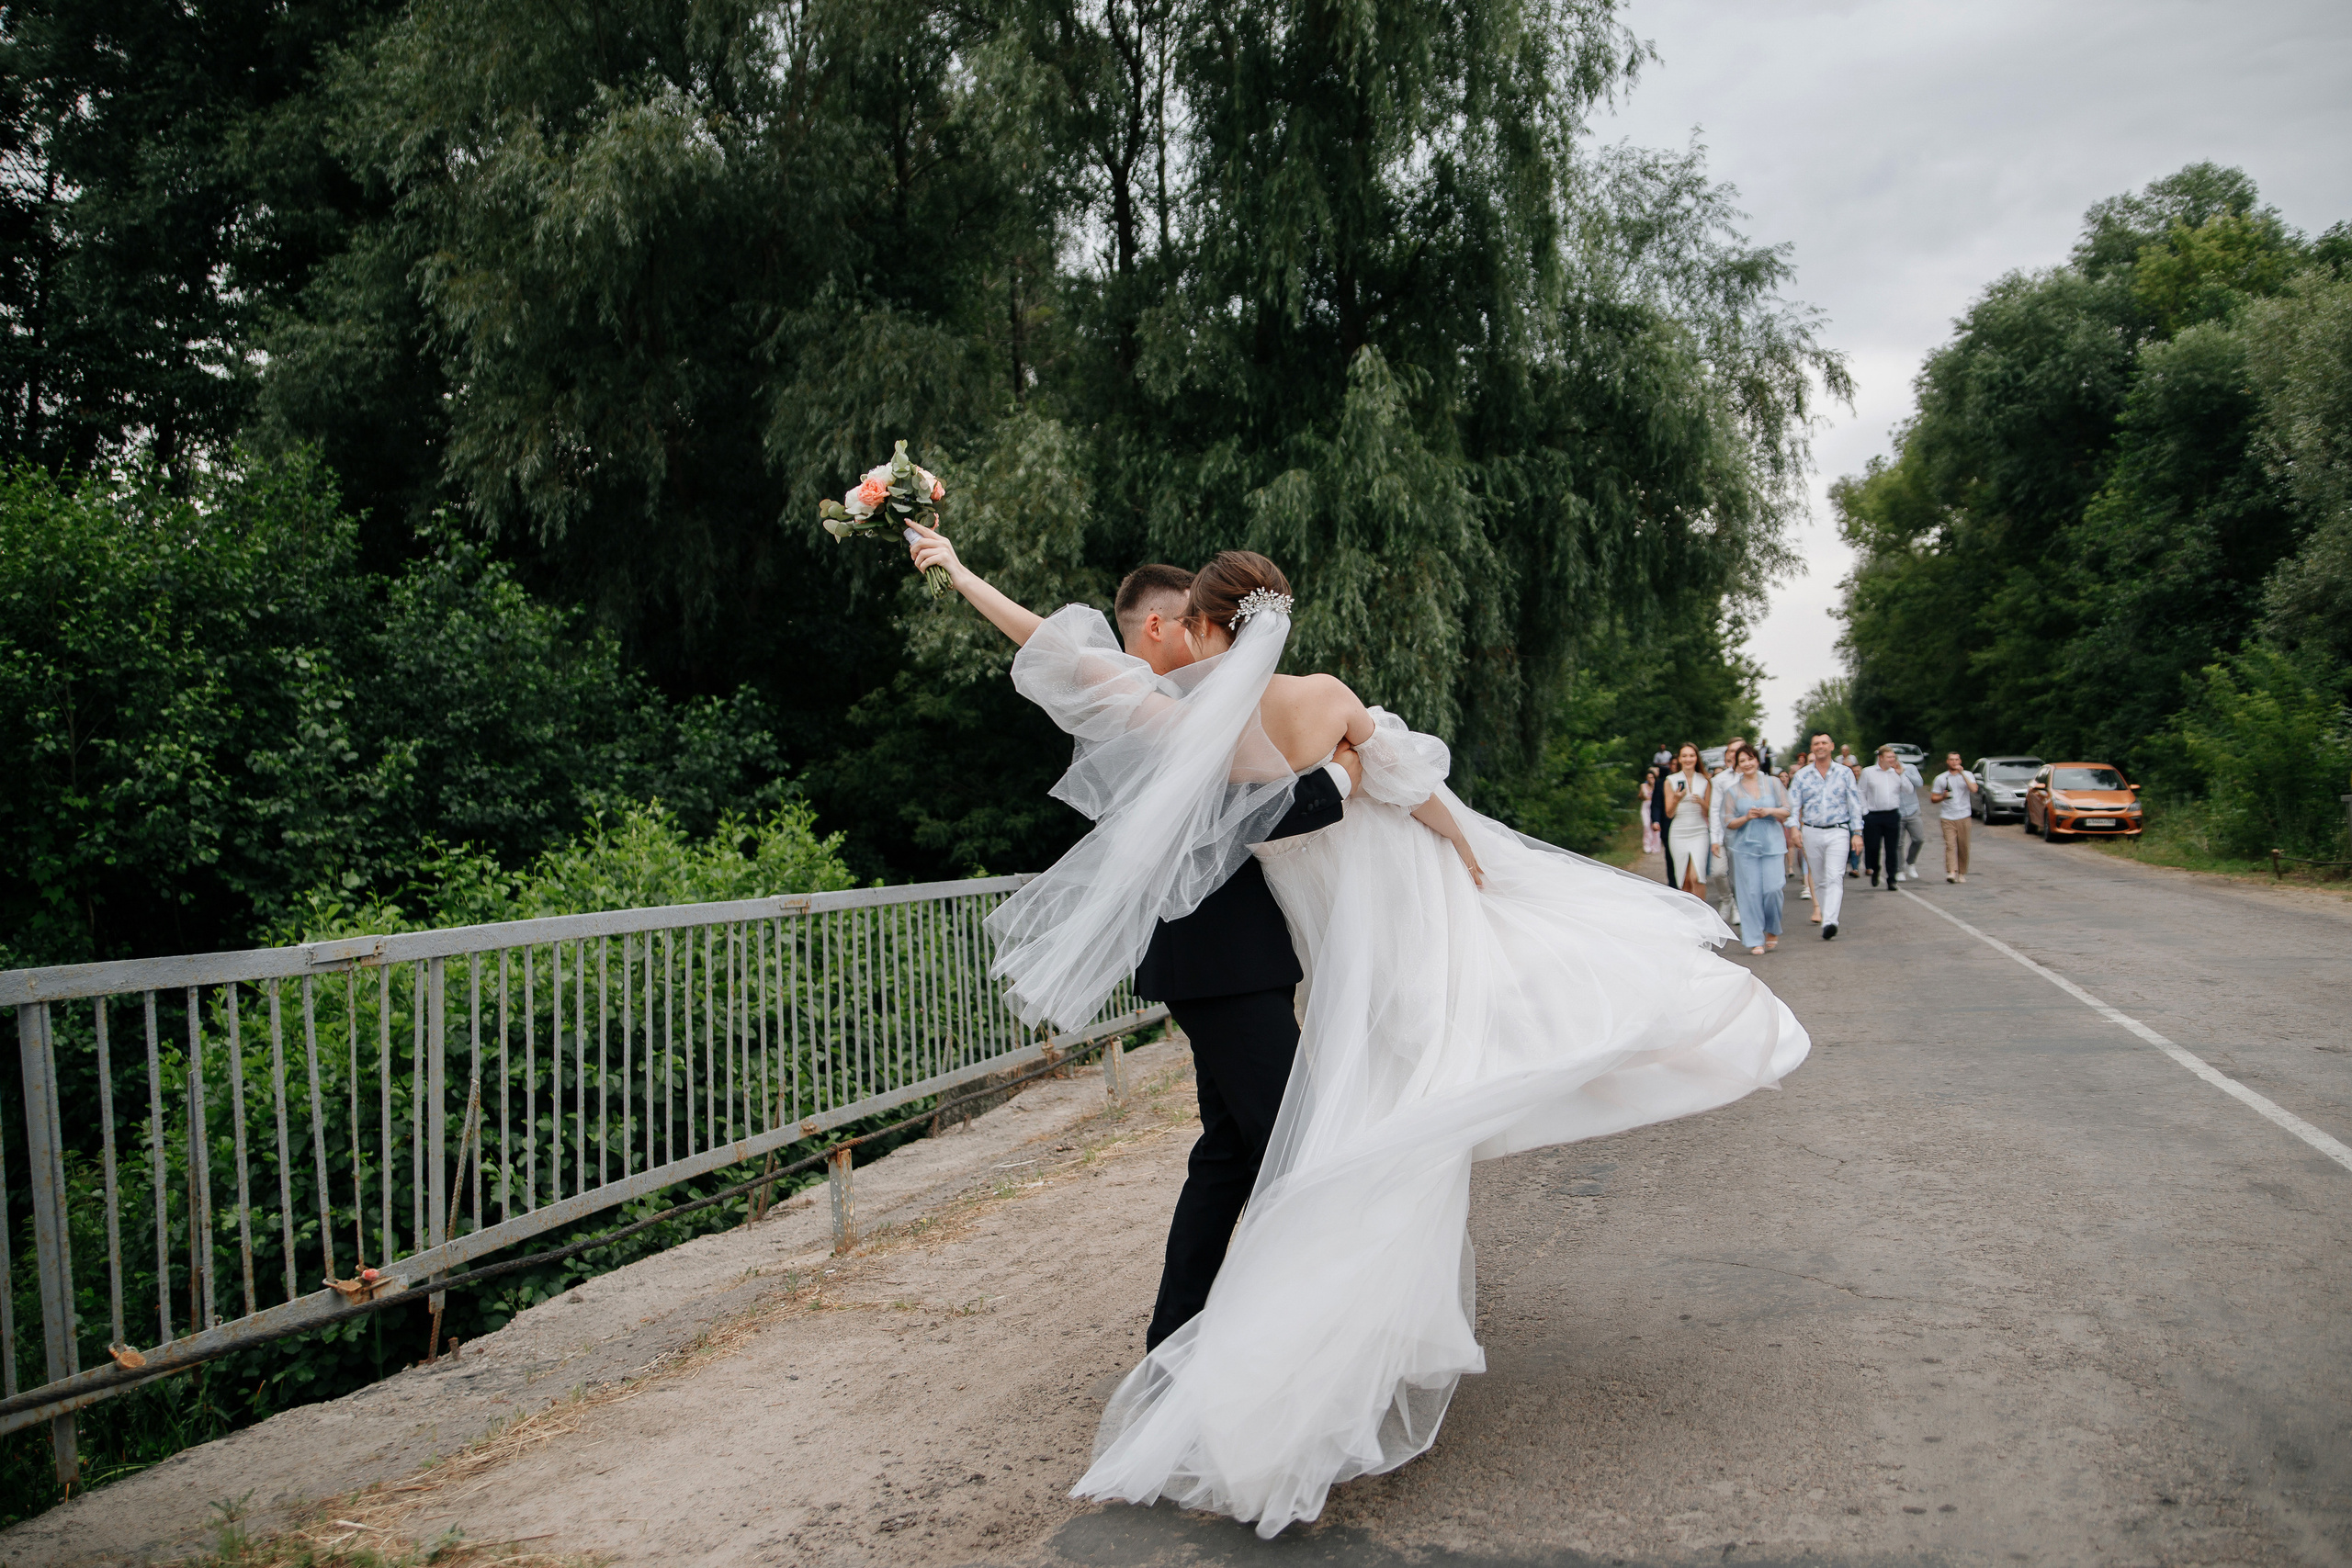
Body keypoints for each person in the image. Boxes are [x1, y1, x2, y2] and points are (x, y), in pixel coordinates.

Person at [910, 527, 1809, 1537]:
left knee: (1246, 1153)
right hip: (1317, 947)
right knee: (1316, 1154)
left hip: (1287, 952)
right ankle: (1269, 1367)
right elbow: (1399, 794)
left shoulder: (1186, 707)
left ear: (1200, 626)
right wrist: (1469, 860)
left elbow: (1054, 650)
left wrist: (957, 572)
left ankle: (1200, 1344)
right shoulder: (1296, 701)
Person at [1790, 733, 1863, 939]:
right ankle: (1824, 914)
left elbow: (1854, 803)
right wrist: (1794, 828)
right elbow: (1794, 805)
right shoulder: (1802, 776)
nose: (1820, 746)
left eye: (1824, 743)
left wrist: (1857, 833)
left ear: (1832, 746)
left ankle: (1831, 921)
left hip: (1838, 829)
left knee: (1835, 875)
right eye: (1816, 744)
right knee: (1820, 879)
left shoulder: (1844, 773)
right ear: (1812, 748)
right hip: (1811, 830)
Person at [1720, 745, 1790, 953]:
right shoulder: (1732, 791)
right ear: (1737, 766)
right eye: (1742, 761)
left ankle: (1772, 928)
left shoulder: (1774, 783)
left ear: (1757, 760)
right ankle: (1754, 938)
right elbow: (1728, 822)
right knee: (1750, 893)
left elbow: (1787, 810)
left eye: (1750, 759)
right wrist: (1746, 817)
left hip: (1772, 843)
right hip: (1745, 847)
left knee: (1773, 889)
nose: (1747, 764)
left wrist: (1769, 810)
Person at [1660, 743, 1712, 897]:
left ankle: (1704, 916)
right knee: (1685, 880)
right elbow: (1669, 813)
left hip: (1699, 831)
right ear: (1679, 759)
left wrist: (1702, 802)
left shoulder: (1705, 780)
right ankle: (1690, 917)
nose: (1688, 759)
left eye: (1691, 755)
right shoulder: (1670, 780)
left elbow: (1709, 812)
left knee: (1697, 877)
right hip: (1679, 831)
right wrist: (1676, 799)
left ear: (1697, 758)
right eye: (1685, 756)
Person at [1859, 745, 1909, 891]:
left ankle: (1892, 878)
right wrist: (1864, 810)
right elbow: (1861, 791)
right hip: (1873, 815)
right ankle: (1875, 868)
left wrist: (1901, 774)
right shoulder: (1869, 772)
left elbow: (1908, 790)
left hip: (1892, 814)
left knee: (1892, 848)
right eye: (1889, 757)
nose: (1892, 760)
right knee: (1873, 846)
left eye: (1894, 757)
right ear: (1881, 758)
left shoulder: (1896, 773)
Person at [1928, 752, 1981, 882]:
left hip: (1964, 815)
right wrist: (1942, 797)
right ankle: (1952, 872)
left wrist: (1962, 773)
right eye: (1951, 760)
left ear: (1960, 761)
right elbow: (1933, 798)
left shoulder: (1967, 775)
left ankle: (1962, 873)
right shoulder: (1941, 778)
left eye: (1956, 759)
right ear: (1947, 762)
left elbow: (1974, 789)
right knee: (1950, 845)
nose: (1954, 762)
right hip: (1947, 816)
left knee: (1963, 846)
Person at [1894, 751, 1927, 882]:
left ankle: (1910, 863)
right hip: (1896, 812)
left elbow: (1919, 783)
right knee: (1898, 843)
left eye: (1893, 758)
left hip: (1912, 809)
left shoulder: (1910, 768)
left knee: (1919, 839)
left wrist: (1903, 773)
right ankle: (1899, 869)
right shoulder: (1887, 772)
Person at [1638, 768, 1662, 857]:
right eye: (1649, 777)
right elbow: (1640, 796)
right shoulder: (1643, 786)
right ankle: (1647, 846)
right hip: (1646, 807)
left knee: (1655, 826)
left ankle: (1655, 846)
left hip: (1654, 806)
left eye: (1652, 777)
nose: (1650, 779)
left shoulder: (1657, 785)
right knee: (1646, 825)